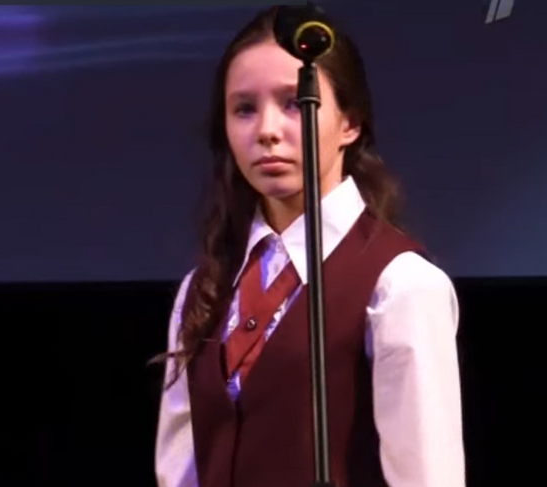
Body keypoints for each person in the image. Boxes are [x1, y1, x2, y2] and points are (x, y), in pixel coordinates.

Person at [154, 5, 465, 487]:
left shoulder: (400, 284)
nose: (266, 131)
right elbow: (178, 471)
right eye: (244, 109)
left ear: (350, 123)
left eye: (295, 104)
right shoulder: (205, 287)